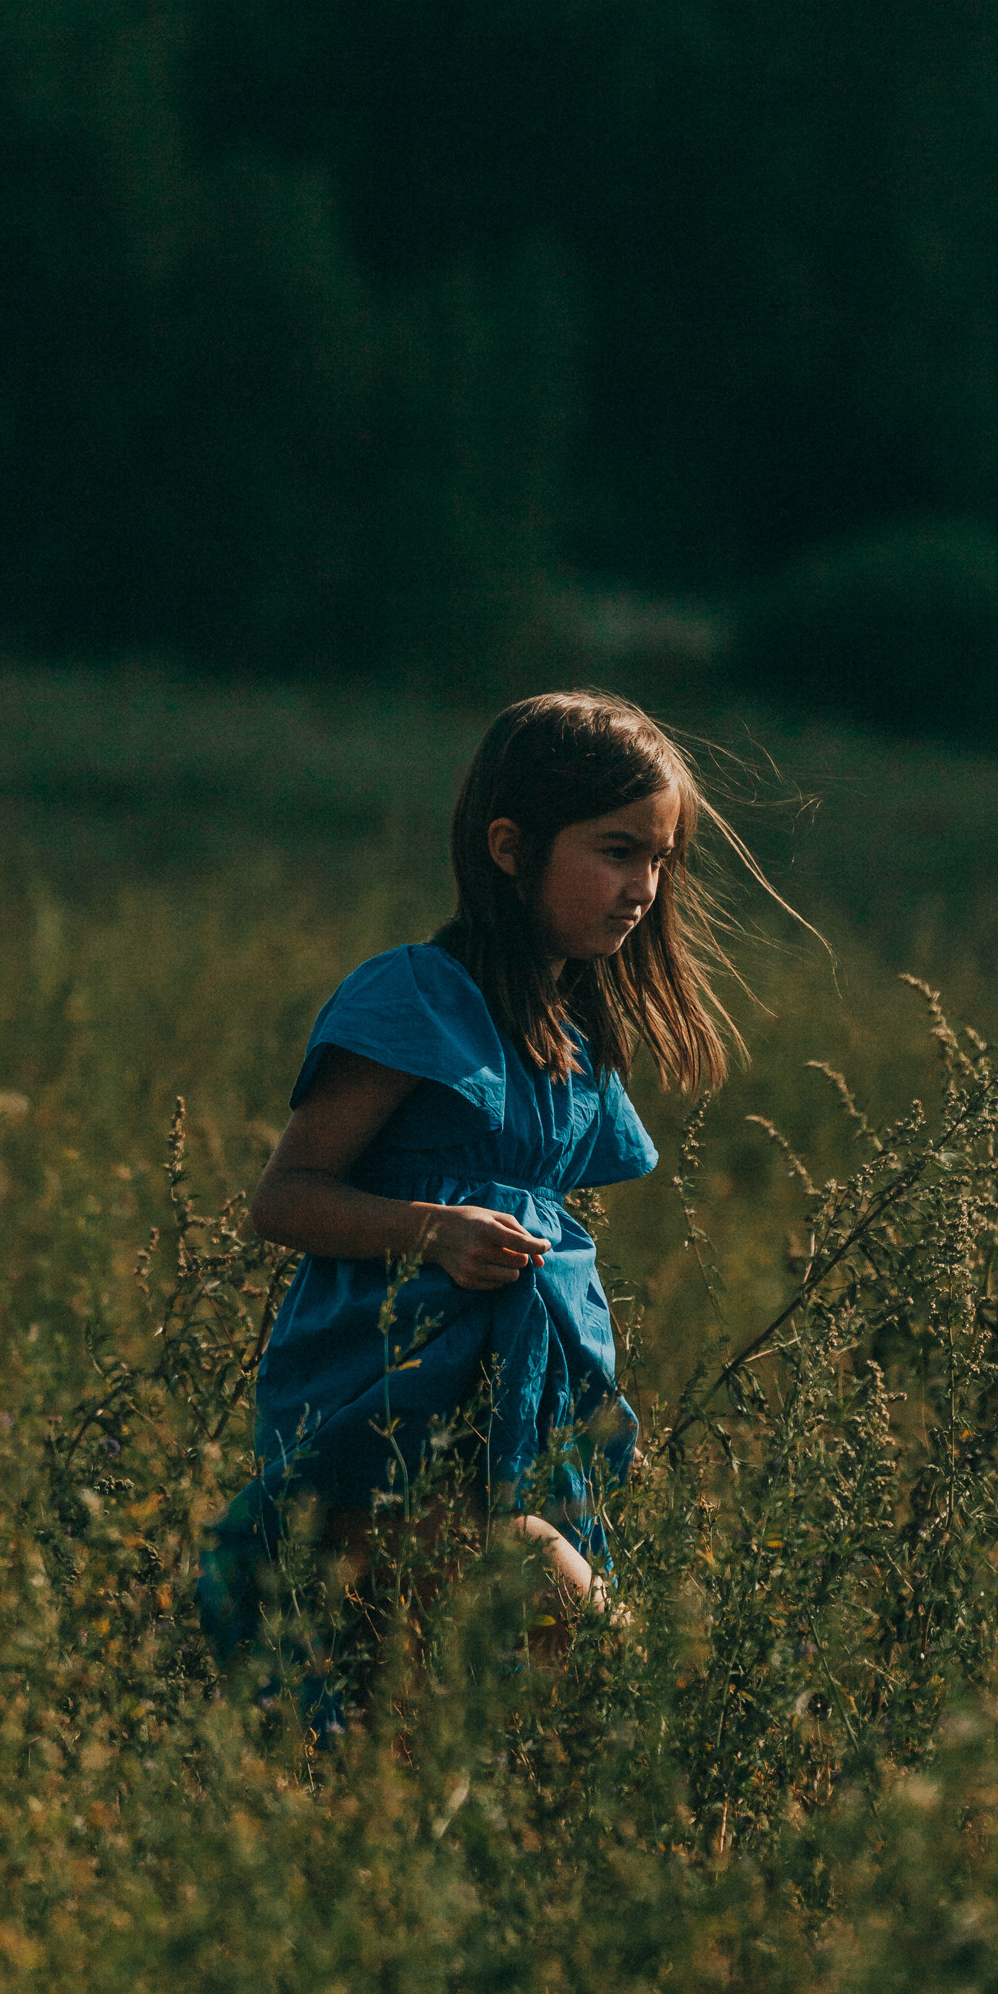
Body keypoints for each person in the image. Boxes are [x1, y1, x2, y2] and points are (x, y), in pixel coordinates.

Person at [196, 689, 749, 1712]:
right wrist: (432, 1231)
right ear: (509, 847)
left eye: (661, 859)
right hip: (384, 1413)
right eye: (617, 851)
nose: (643, 887)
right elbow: (284, 1199)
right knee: (604, 1660)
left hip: (512, 1424)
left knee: (441, 1708)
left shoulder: (574, 1034)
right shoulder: (414, 996)